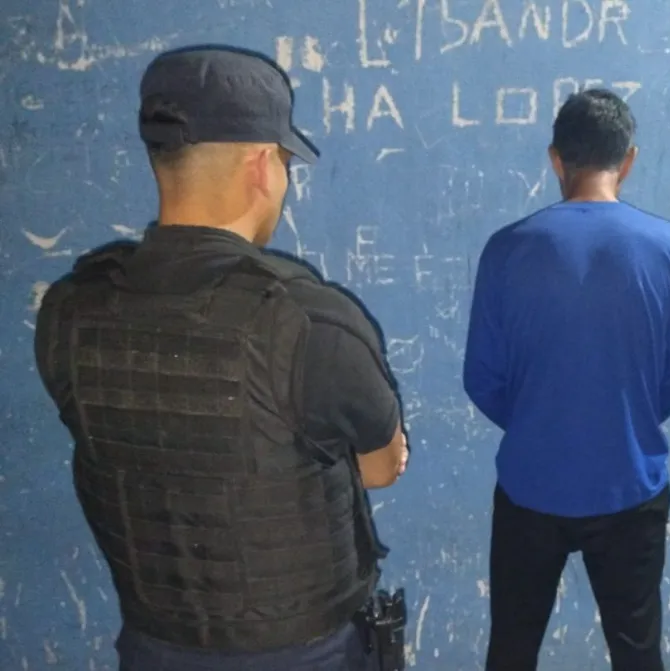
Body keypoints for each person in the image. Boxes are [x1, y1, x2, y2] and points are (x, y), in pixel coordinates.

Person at [33, 45, 408, 671]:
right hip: (304, 654)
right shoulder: (310, 321)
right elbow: (380, 468)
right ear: (262, 165)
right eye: (287, 163)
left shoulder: (69, 312)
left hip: (150, 646)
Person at [463, 88, 670, 671]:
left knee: (512, 650)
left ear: (555, 159)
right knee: (637, 651)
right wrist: (620, 420)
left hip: (529, 487)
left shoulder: (506, 249)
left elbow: (482, 380)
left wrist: (541, 424)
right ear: (629, 160)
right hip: (631, 486)